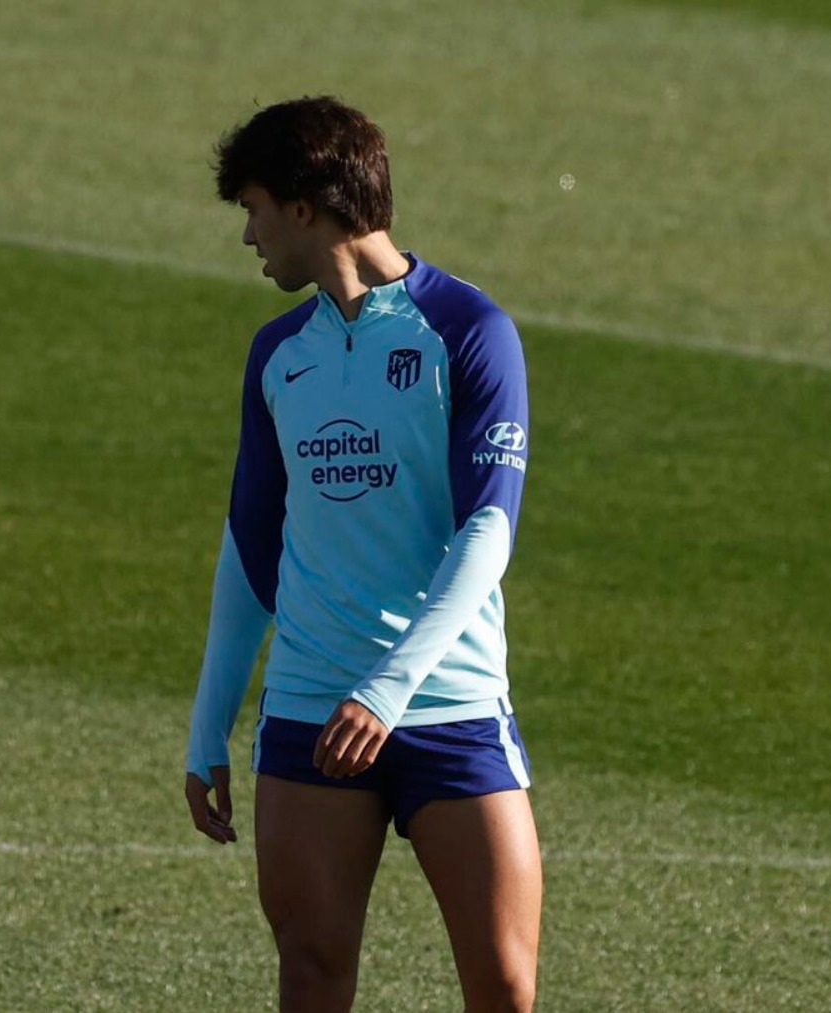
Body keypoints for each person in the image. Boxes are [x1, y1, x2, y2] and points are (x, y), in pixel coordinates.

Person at [182, 97, 540, 1013]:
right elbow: (250, 546)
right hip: (308, 707)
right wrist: (209, 721)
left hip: (448, 703)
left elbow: (487, 532)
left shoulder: (468, 331)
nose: (249, 236)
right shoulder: (277, 356)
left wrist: (389, 689)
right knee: (310, 975)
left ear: (306, 206)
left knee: (503, 986)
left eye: (255, 209)